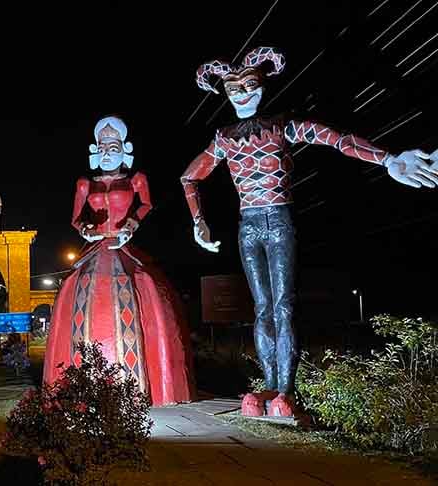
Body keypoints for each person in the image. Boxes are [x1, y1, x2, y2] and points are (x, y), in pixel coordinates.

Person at [181, 46, 438, 417]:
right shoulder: (224, 138)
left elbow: (336, 139)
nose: (241, 93)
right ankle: (269, 387)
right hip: (249, 224)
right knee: (262, 308)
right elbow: (189, 176)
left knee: (283, 306)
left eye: (249, 84)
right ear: (225, 92)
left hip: (278, 218)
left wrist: (387, 159)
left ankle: (285, 391)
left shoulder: (283, 125)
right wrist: (197, 221)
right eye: (233, 87)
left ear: (262, 85)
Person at [44, 116, 195, 406]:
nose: (107, 151)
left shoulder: (135, 180)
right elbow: (76, 219)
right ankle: (80, 385)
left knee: (144, 289)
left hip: (125, 246)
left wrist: (132, 226)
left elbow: (147, 204)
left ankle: (146, 387)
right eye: (102, 145)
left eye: (113, 145)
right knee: (79, 293)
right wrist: (85, 229)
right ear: (94, 149)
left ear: (124, 148)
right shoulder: (86, 184)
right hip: (97, 246)